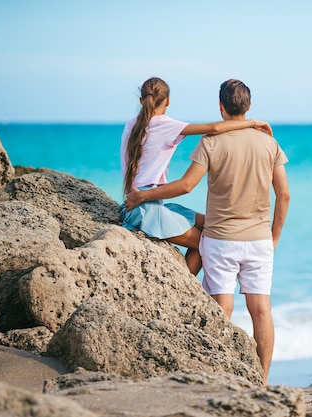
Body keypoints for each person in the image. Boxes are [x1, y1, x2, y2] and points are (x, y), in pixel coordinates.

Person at [125, 79, 290, 385]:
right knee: (261, 310)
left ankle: (217, 372)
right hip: (258, 241)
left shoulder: (209, 142)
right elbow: (284, 195)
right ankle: (263, 382)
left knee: (221, 304)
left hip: (221, 240)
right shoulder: (270, 143)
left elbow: (188, 184)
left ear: (220, 106)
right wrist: (274, 237)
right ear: (249, 106)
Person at [120, 77, 272, 275]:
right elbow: (214, 128)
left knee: (210, 223)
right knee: (204, 243)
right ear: (167, 101)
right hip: (146, 208)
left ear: (142, 101)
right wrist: (251, 122)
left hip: (142, 204)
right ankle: (181, 291)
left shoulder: (131, 125)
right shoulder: (164, 124)